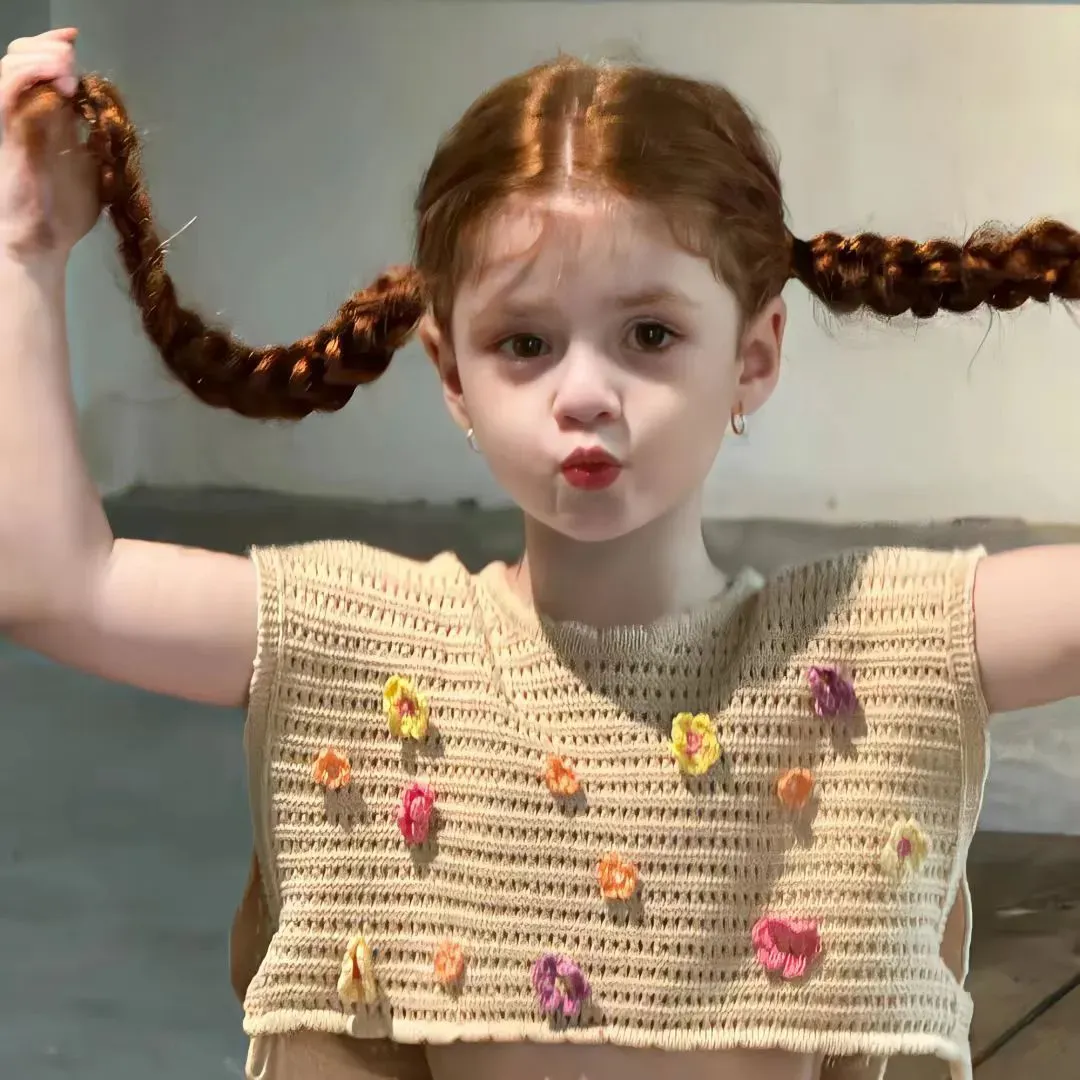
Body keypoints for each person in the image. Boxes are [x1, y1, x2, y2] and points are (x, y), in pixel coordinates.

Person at [2, 24, 1078, 1080]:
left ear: (753, 357)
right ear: (453, 374)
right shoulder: (369, 641)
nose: (585, 394)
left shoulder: (867, 648)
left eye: (649, 335)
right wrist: (23, 250)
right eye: (526, 343)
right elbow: (57, 585)